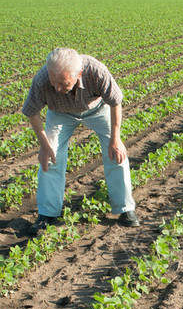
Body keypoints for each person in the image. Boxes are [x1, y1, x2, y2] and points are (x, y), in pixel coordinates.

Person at [21, 47, 139, 234]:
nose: (57, 88)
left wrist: (115, 139)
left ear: (79, 74)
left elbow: (115, 102)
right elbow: (31, 112)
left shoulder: (95, 70)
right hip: (60, 113)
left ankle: (125, 208)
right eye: (54, 82)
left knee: (116, 153)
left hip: (97, 110)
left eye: (63, 83)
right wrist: (44, 145)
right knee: (50, 157)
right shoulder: (43, 79)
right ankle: (47, 214)